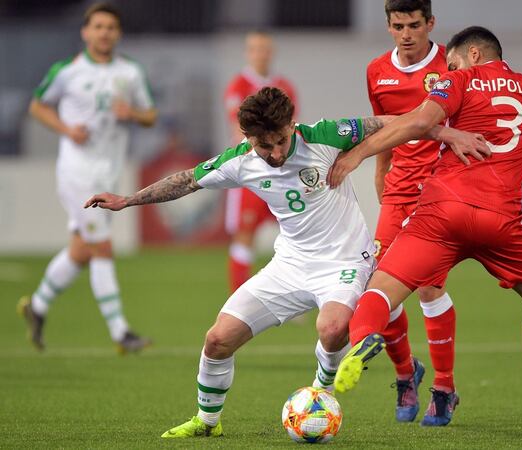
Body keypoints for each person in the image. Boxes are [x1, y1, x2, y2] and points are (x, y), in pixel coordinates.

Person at [84, 87, 487, 438]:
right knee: (217, 339)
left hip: (345, 261)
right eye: (265, 146)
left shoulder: (325, 135)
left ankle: (319, 395)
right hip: (290, 264)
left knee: (331, 329)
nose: (275, 153)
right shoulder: (240, 159)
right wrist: (128, 200)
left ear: (292, 124)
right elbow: (187, 179)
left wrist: (444, 131)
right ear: (249, 139)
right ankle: (208, 421)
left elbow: (394, 122)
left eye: (280, 141)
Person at [329, 0, 522, 437]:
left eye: (454, 61)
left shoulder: (457, 80)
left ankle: (363, 337)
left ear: (474, 56)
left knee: (381, 290)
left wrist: (358, 154)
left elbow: (417, 122)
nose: (449, 68)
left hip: (441, 213)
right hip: (502, 221)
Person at [17, 2, 158, 354]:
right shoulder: (68, 70)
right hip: (76, 171)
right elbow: (36, 105)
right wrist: (66, 129)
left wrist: (134, 113)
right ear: (85, 32)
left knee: (81, 250)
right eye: (98, 26)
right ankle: (120, 332)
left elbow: (151, 115)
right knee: (102, 247)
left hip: (108, 171)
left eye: (110, 27)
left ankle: (36, 306)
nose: (104, 32)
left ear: (118, 33)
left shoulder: (130, 72)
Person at [367, 0, 460, 425]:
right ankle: (406, 375)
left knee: (426, 288)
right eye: (398, 26)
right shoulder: (376, 71)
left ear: (430, 24)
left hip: (439, 193)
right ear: (389, 27)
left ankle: (444, 386)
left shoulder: (453, 64)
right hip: (397, 191)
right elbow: (383, 128)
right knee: (379, 288)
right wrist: (381, 178)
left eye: (414, 25)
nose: (406, 34)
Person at [224, 31, 299, 293]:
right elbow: (238, 129)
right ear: (248, 52)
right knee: (244, 235)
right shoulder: (238, 86)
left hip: (282, 173)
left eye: (265, 48)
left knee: (296, 231)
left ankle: (296, 292)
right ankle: (240, 295)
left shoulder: (285, 87)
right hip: (252, 174)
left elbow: (291, 130)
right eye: (255, 49)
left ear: (271, 51)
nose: (260, 54)